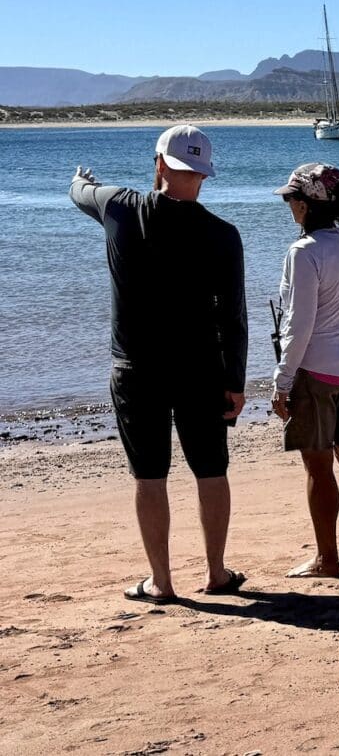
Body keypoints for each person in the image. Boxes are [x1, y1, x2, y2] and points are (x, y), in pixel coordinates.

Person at [70, 124, 248, 603]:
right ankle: (215, 573)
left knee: (150, 477)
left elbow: (79, 192)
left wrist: (81, 179)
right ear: (204, 174)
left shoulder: (121, 208)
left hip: (136, 371)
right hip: (202, 371)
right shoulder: (224, 235)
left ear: (160, 163)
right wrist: (236, 380)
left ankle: (161, 582)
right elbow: (234, 316)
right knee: (211, 470)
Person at [270, 163, 339, 578]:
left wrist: (282, 381)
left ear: (303, 205)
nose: (289, 207)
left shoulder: (304, 253)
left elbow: (298, 324)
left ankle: (326, 558)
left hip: (315, 374)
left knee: (318, 467)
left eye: (291, 200)